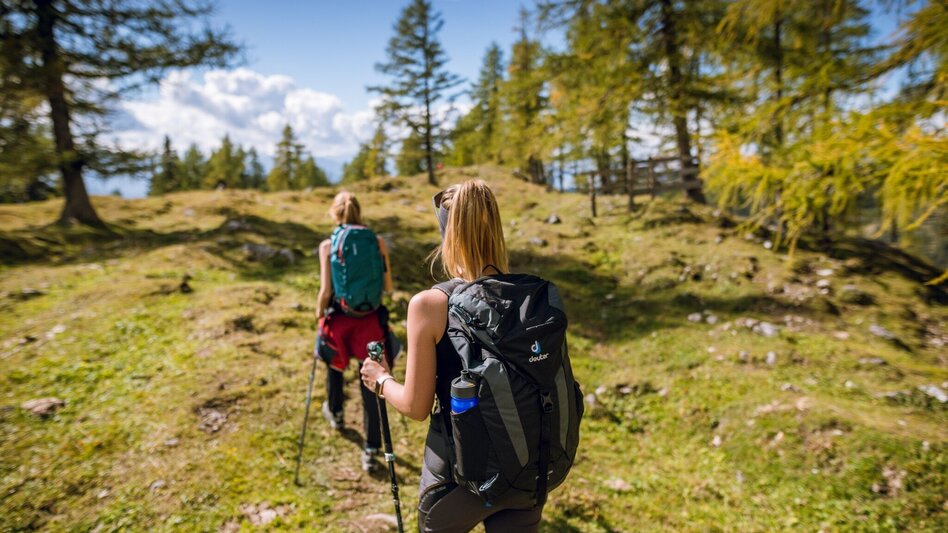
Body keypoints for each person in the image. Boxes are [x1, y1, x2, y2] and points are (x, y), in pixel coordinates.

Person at [361, 180, 544, 532]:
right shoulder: (529, 298)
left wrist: (380, 380)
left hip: (458, 480)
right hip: (527, 474)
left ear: (449, 236)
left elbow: (416, 406)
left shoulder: (431, 305)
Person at [315, 191, 393, 472]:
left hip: (340, 319)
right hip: (370, 320)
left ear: (335, 214)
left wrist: (318, 314)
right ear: (359, 212)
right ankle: (372, 448)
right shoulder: (378, 241)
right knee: (371, 379)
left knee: (334, 366)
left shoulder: (328, 245)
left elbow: (326, 291)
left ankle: (336, 413)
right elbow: (388, 287)